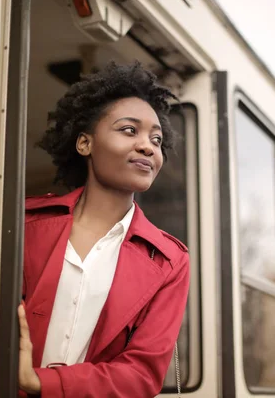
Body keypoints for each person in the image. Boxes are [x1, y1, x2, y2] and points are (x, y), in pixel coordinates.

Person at [17, 62, 190, 397]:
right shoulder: (24, 222)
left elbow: (140, 376)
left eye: (157, 139)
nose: (148, 146)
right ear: (85, 144)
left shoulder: (170, 261)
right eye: (129, 130)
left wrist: (40, 383)